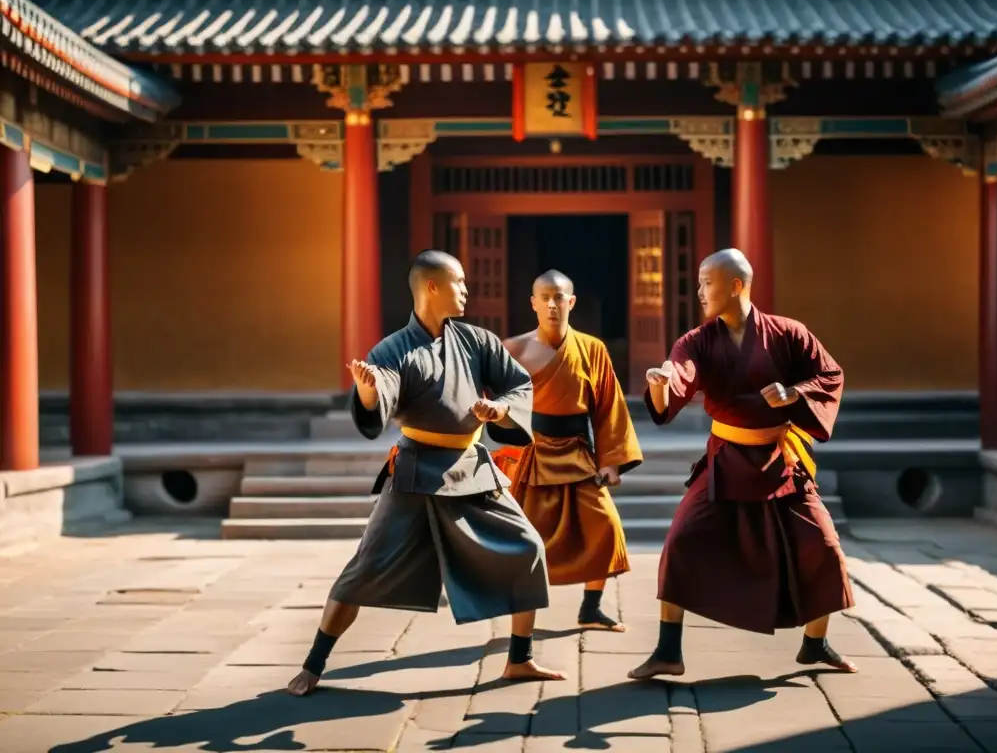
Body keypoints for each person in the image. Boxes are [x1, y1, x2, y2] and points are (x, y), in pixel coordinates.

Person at [287, 250, 564, 696]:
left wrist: (501, 408)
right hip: (416, 472)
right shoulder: (394, 349)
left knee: (528, 546)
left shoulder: (477, 341)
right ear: (432, 286)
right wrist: (368, 391)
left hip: (472, 468)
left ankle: (519, 657)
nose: (467, 290)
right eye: (459, 282)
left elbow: (518, 385)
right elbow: (385, 388)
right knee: (364, 568)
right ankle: (314, 663)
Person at [627, 249, 857, 681]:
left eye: (706, 283)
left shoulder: (789, 333)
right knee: (680, 542)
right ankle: (667, 651)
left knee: (823, 546)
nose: (699, 293)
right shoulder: (698, 340)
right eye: (698, 283)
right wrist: (660, 385)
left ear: (736, 285)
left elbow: (829, 375)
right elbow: (678, 375)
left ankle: (815, 644)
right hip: (726, 460)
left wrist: (793, 395)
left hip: (780, 459)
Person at [493, 270, 642, 634]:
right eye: (544, 297)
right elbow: (493, 403)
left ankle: (591, 608)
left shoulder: (592, 349)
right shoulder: (513, 349)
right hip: (533, 454)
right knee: (524, 540)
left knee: (606, 526)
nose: (551, 304)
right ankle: (519, 622)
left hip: (578, 452)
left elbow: (609, 407)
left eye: (559, 297)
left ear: (571, 302)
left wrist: (611, 462)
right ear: (532, 303)